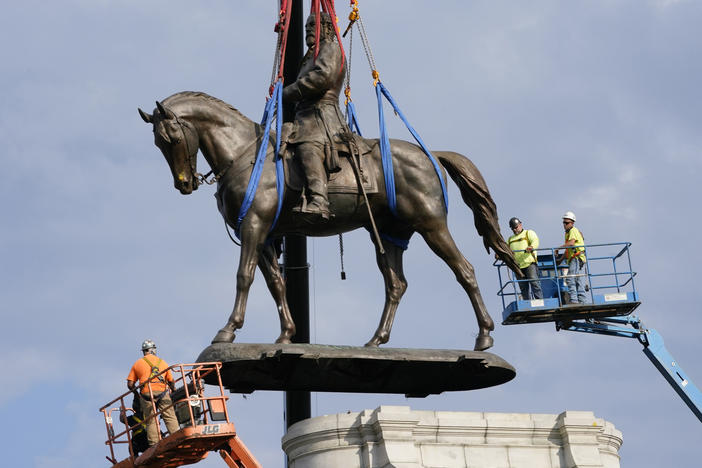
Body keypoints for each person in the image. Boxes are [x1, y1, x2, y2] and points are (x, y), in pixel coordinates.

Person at [283, 12, 349, 222]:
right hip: (304, 116)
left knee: (307, 147)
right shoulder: (309, 57)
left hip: (322, 116)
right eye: (307, 25)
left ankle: (319, 201)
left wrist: (288, 92)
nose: (309, 28)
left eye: (314, 25)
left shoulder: (331, 47)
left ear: (327, 28)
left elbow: (322, 77)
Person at [126, 340, 180, 447]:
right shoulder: (163, 362)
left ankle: (154, 444)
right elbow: (171, 381)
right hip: (162, 393)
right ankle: (176, 438)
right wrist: (174, 390)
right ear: (154, 350)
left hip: (146, 395)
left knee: (151, 420)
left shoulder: (137, 363)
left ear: (144, 351)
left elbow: (130, 384)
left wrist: (137, 394)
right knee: (169, 416)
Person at [555, 211, 589, 304]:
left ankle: (574, 300)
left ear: (572, 223)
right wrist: (560, 260)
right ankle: (583, 301)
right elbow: (568, 250)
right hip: (575, 258)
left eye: (567, 223)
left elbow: (571, 243)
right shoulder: (568, 233)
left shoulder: (573, 230)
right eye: (564, 222)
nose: (565, 225)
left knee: (570, 278)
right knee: (577, 280)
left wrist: (558, 248)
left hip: (577, 258)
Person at [507, 217, 543, 300]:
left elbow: (535, 241)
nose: (515, 230)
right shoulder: (510, 239)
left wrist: (531, 247)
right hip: (518, 266)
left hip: (529, 263)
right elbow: (506, 248)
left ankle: (539, 300)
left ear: (520, 225)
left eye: (516, 227)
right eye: (513, 229)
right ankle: (527, 302)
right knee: (523, 286)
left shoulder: (528, 233)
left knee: (534, 282)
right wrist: (499, 255)